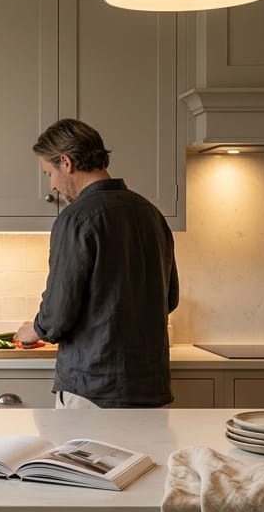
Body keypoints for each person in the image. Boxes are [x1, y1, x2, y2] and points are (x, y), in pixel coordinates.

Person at [16, 118, 179, 408]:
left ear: (66, 162)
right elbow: (170, 299)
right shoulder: (151, 213)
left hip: (93, 390)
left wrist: (35, 330)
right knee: (146, 456)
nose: (52, 186)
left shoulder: (76, 218)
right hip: (152, 388)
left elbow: (58, 313)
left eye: (48, 172)